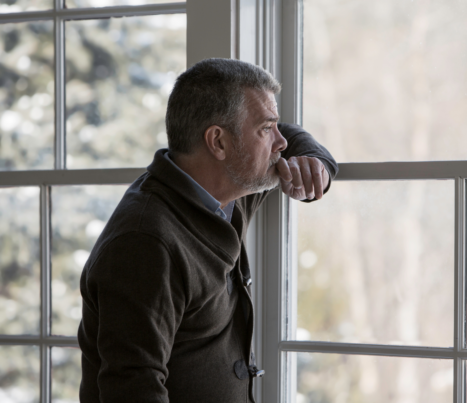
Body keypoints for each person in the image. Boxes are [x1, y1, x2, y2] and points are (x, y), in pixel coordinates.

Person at [77, 58, 338, 403]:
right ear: (218, 142)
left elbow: (289, 134)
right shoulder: (145, 242)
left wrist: (315, 163)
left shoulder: (226, 186)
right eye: (265, 129)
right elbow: (132, 388)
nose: (280, 144)